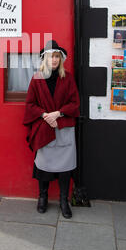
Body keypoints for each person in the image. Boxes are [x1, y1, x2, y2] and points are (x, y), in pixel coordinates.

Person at [22, 40, 80, 218]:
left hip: (64, 128)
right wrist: (45, 115)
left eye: (56, 56)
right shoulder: (36, 79)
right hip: (44, 128)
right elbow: (30, 105)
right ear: (44, 59)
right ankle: (43, 197)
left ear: (60, 59)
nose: (54, 60)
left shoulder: (68, 78)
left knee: (65, 166)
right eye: (50, 56)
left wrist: (58, 114)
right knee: (44, 166)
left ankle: (64, 200)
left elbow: (75, 103)